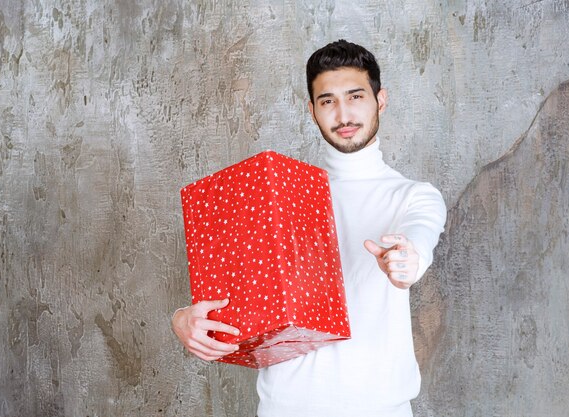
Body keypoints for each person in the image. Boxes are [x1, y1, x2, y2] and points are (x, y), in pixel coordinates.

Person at [172, 39, 446, 417]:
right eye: (327, 101)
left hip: (380, 409)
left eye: (355, 96)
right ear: (312, 111)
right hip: (284, 408)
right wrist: (184, 319)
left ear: (380, 100)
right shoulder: (276, 193)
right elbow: (234, 288)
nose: (343, 114)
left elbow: (419, 241)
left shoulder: (414, 197)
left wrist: (408, 261)